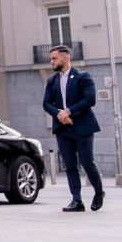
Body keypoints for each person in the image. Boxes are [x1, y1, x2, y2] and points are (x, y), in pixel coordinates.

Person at [43, 45, 105, 213]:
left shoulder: (82, 76)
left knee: (87, 162)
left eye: (54, 58)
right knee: (70, 165)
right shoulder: (51, 81)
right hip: (63, 129)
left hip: (83, 126)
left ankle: (99, 192)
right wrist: (59, 114)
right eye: (51, 59)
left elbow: (90, 99)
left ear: (65, 58)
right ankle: (77, 200)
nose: (51, 62)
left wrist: (69, 111)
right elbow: (46, 103)